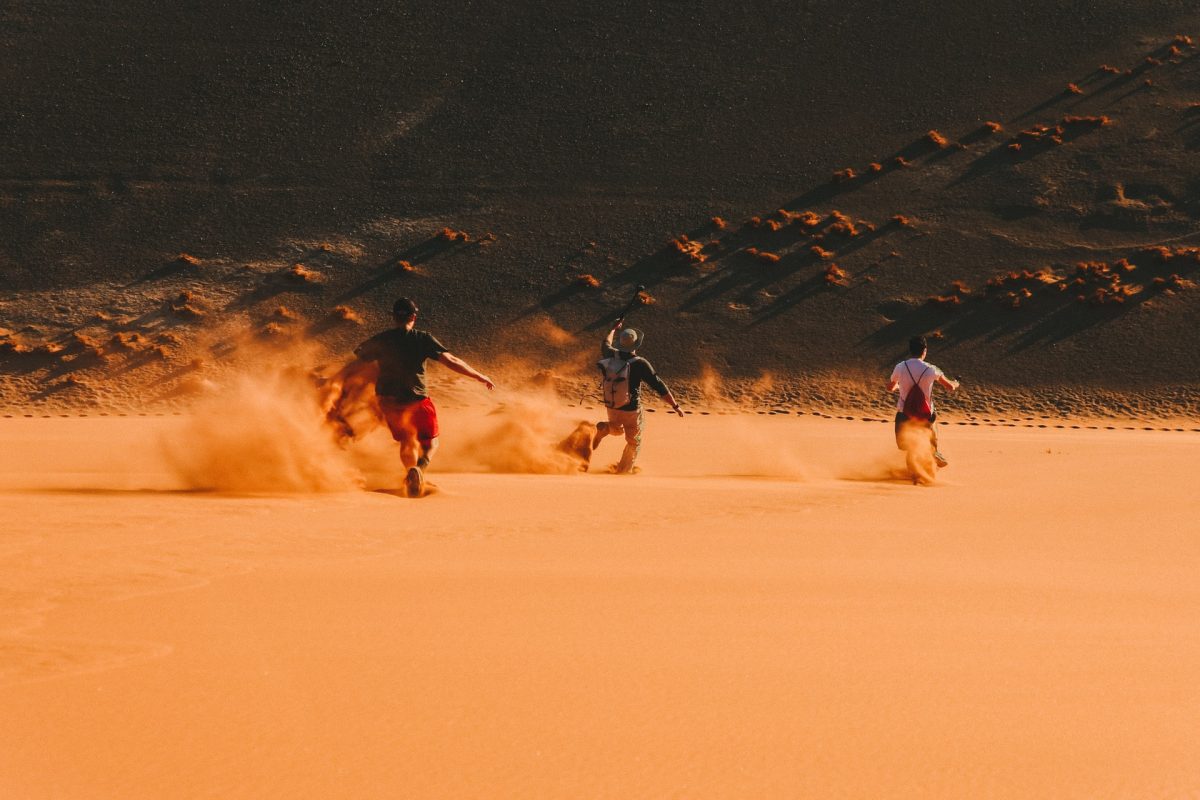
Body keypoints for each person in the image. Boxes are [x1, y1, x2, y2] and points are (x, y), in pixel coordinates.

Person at [333, 297, 494, 497]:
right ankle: (419, 468)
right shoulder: (421, 338)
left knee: (408, 438)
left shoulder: (382, 339)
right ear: (413, 317)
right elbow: (450, 360)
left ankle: (410, 471)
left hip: (387, 399)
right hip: (416, 398)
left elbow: (356, 363)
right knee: (432, 442)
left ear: (393, 317)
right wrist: (478, 375)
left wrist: (335, 383)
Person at [592, 319, 683, 474]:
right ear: (636, 345)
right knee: (634, 441)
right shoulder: (640, 363)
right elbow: (658, 385)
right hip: (632, 409)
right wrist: (675, 405)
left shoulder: (611, 354)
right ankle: (623, 470)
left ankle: (606, 428)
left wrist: (613, 328)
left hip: (612, 405)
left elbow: (605, 342)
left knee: (616, 429)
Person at [886, 334, 960, 467]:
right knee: (933, 416)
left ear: (910, 350)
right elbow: (950, 387)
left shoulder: (900, 367)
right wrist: (956, 382)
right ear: (924, 351)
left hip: (904, 414)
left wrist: (899, 386)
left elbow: (890, 387)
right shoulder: (931, 369)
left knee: (905, 446)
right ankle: (934, 450)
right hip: (925, 415)